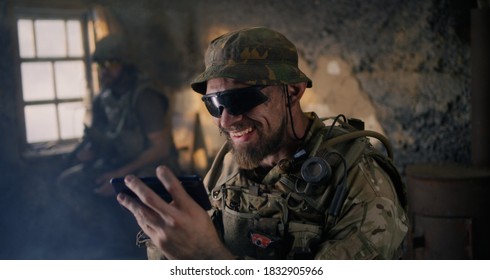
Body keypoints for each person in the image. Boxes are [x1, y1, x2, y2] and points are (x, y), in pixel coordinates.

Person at [117, 27, 408, 260]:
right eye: (215, 104)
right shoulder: (232, 161)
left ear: (292, 92)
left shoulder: (361, 184)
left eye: (241, 99)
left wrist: (207, 258)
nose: (226, 120)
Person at [57, 33, 181, 200]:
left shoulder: (145, 97)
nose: (104, 70)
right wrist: (90, 152)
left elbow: (160, 149)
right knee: (69, 182)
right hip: (121, 162)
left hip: (150, 167)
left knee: (137, 193)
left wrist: (118, 175)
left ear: (127, 66)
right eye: (100, 65)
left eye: (111, 63)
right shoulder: (102, 100)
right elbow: (102, 139)